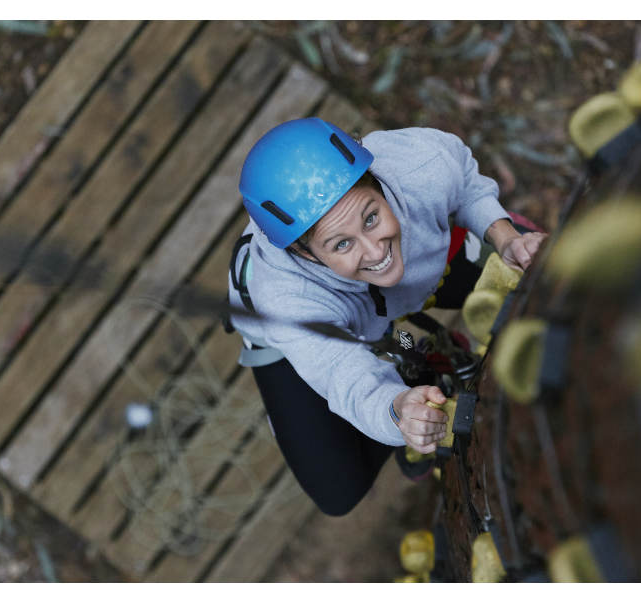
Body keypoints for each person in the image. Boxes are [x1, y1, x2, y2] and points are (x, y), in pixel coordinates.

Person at [227, 117, 545, 516]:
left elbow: (465, 181)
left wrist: (505, 237)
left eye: (371, 217)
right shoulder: (288, 302)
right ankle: (420, 372)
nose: (374, 250)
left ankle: (419, 334)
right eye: (342, 242)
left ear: (377, 180)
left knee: (527, 272)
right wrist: (398, 411)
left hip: (412, 272)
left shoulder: (418, 164)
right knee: (338, 491)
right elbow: (348, 378)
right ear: (306, 254)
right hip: (311, 328)